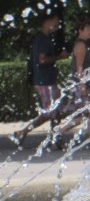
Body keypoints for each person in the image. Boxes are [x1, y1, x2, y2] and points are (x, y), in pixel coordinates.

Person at [13, 13, 69, 146]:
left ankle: (26, 133)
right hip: (45, 81)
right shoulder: (42, 39)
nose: (57, 25)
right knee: (52, 111)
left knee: (53, 111)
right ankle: (54, 139)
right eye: (55, 21)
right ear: (47, 21)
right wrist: (60, 57)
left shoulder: (43, 38)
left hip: (45, 80)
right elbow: (42, 59)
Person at [58, 16, 90, 143]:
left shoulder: (84, 45)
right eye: (87, 29)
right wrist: (82, 87)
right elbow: (79, 68)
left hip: (85, 85)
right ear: (80, 30)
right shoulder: (80, 45)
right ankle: (58, 131)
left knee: (89, 115)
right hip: (81, 85)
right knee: (87, 116)